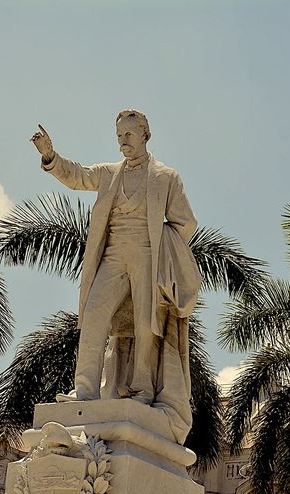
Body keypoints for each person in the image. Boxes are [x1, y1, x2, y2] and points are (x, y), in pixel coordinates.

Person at [30, 109, 200, 442]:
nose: (123, 141)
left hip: (148, 256)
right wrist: (50, 156)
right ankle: (85, 390)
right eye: (119, 135)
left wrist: (164, 245)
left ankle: (141, 391)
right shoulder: (108, 174)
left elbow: (186, 223)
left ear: (145, 134)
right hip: (112, 255)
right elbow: (77, 176)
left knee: (145, 324)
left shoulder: (166, 177)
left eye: (129, 135)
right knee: (93, 316)